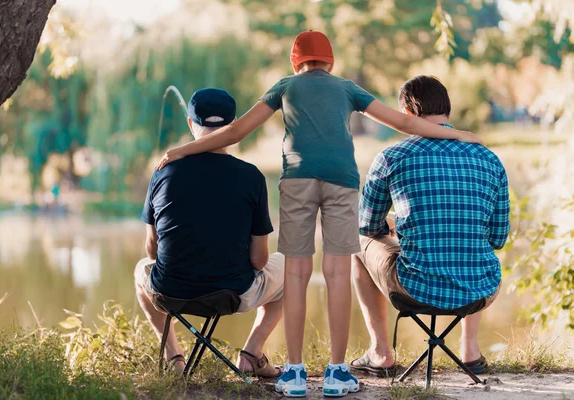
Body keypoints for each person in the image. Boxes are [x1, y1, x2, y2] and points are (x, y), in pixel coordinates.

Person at [155, 31, 482, 398]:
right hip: (341, 182)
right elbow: (404, 123)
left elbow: (237, 130)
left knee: (296, 271)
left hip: (296, 181)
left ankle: (293, 373)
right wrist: (460, 135)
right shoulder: (347, 88)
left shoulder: (284, 87)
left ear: (296, 63)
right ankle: (337, 372)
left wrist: (184, 150)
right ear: (331, 62)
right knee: (338, 271)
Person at [351, 75, 510, 377]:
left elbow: (367, 226)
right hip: (481, 290)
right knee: (475, 241)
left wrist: (398, 224)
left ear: (408, 114)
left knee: (355, 246)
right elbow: (498, 238)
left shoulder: (392, 157)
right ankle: (470, 351)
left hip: (416, 288)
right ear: (447, 110)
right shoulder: (490, 159)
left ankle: (381, 353)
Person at [135, 88, 284, 378]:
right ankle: (252, 353)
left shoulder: (162, 172)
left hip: (170, 292)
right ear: (235, 125)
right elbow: (259, 261)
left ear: (191, 124)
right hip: (232, 294)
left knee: (141, 270)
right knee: (293, 267)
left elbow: (151, 251)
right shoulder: (252, 177)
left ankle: (175, 358)